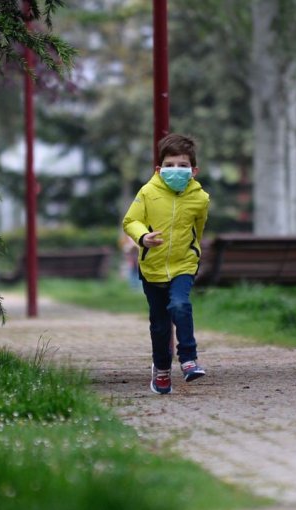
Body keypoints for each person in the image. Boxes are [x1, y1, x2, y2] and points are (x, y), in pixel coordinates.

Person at [122, 133, 210, 395]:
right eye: (170, 165)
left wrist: (193, 251)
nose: (176, 170)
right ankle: (161, 369)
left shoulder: (200, 198)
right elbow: (130, 221)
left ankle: (188, 359)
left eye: (182, 165)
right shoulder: (148, 192)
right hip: (152, 268)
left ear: (194, 170)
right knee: (160, 325)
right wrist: (142, 237)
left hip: (184, 264)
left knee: (181, 305)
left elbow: (199, 228)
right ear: (159, 169)